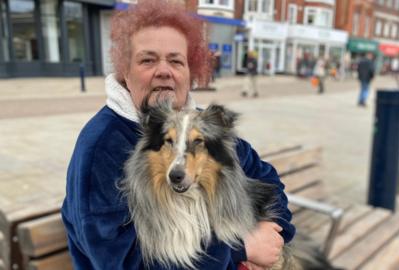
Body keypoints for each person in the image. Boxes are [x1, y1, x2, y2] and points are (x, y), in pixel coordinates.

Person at [60, 1, 295, 269]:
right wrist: (239, 249)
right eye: (148, 60)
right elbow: (122, 261)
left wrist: (274, 232)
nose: (164, 70)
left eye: (176, 60)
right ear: (125, 70)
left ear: (190, 72)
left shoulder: (203, 124)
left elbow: (266, 181)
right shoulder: (102, 144)